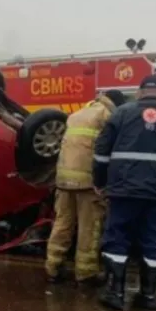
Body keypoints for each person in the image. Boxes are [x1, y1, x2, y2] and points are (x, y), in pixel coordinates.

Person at [92, 75, 156, 311]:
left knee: (118, 236)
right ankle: (148, 296)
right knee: (155, 240)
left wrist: (100, 181)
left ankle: (115, 293)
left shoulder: (121, 113)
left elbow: (101, 153)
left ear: (139, 92)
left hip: (124, 190)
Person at [45, 90, 128, 287]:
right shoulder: (108, 117)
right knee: (89, 227)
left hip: (64, 179)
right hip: (87, 182)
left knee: (62, 224)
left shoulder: (77, 114)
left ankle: (53, 267)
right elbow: (110, 151)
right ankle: (86, 273)